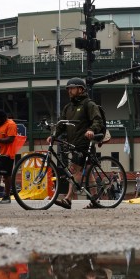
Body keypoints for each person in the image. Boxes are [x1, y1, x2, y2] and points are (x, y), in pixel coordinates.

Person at [47, 77, 107, 209]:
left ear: (80, 89)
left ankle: (68, 199)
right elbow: (61, 125)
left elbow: (97, 120)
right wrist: (53, 135)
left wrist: (91, 130)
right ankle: (96, 200)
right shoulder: (68, 107)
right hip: (73, 143)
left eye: (72, 88)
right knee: (89, 172)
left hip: (84, 143)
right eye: (68, 88)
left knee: (75, 170)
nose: (69, 91)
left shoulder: (88, 104)